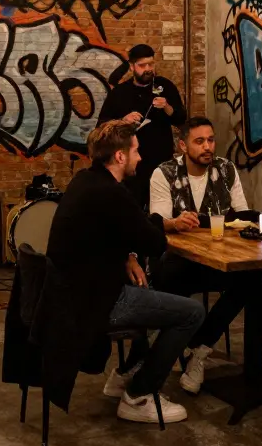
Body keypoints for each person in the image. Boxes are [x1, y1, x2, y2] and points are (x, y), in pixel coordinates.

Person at [29, 120, 204, 424]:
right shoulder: (113, 193)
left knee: (151, 291)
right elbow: (154, 241)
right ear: (120, 156)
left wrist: (128, 254)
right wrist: (158, 228)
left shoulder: (84, 181)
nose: (140, 157)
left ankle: (126, 374)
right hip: (94, 303)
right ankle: (139, 394)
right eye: (136, 151)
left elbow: (109, 232)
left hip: (69, 297)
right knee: (191, 312)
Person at [147, 117, 250, 396]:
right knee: (170, 272)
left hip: (216, 257)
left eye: (211, 140)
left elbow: (241, 214)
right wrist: (174, 223)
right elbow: (158, 221)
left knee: (250, 278)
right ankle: (162, 351)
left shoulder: (226, 169)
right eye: (199, 141)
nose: (207, 147)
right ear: (183, 145)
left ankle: (200, 350)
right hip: (178, 260)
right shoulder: (165, 172)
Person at [97, 44, 186, 206]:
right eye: (142, 65)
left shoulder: (165, 86)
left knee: (162, 210)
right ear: (131, 67)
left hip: (161, 163)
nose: (148, 69)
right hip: (130, 168)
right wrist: (122, 121)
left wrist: (167, 107)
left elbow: (182, 120)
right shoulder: (119, 93)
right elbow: (101, 125)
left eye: (151, 64)